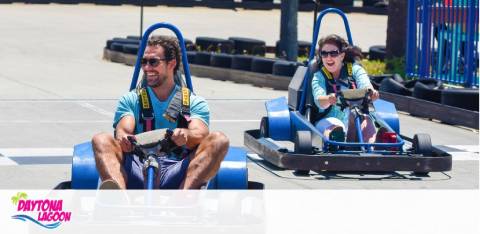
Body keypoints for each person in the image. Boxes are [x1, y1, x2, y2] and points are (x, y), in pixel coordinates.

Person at [92, 35, 229, 189]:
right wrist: (124, 138)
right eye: (144, 62)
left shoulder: (193, 102)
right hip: (138, 165)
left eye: (153, 62)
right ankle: (120, 197)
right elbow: (123, 129)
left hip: (177, 169)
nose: (147, 68)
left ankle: (185, 196)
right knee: (101, 139)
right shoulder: (131, 99)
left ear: (171, 64)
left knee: (219, 140)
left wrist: (186, 135)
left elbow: (200, 133)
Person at [311, 34, 380, 143]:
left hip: (354, 117)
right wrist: (329, 99)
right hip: (327, 121)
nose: (328, 58)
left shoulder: (355, 70)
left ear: (342, 56)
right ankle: (337, 145)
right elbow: (319, 100)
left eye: (333, 53)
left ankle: (372, 150)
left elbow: (365, 85)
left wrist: (372, 93)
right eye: (324, 54)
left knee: (365, 119)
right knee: (336, 126)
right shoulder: (319, 76)